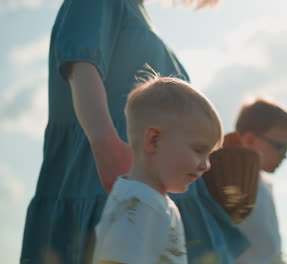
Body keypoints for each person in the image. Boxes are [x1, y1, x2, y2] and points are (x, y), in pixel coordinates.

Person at [20, 0, 248, 263]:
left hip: (154, 190)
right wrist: (104, 141)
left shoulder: (137, 10)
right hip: (104, 175)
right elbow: (81, 64)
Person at [92, 76, 223, 264]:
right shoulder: (139, 205)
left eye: (208, 154)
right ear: (154, 140)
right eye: (198, 150)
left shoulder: (148, 200)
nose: (206, 165)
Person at [232, 98, 287, 264]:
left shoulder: (265, 186)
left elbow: (268, 250)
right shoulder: (231, 182)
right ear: (250, 140)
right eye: (280, 147)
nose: (285, 155)